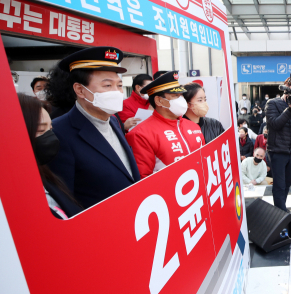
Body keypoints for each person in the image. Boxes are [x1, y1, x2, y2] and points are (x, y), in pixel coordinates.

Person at [47, 47, 141, 209]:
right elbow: (65, 199)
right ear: (80, 90)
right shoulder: (59, 132)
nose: (117, 92)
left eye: (119, 85)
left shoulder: (112, 120)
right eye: (107, 85)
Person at [125, 71, 205, 179]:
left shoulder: (193, 126)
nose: (181, 100)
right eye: (175, 96)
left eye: (181, 95)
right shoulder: (140, 134)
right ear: (159, 101)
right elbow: (142, 180)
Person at [18, 93, 81, 219]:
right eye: (41, 130)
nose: (50, 137)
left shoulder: (47, 176)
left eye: (50, 129)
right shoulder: (17, 193)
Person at [265, 75, 291, 212]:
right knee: (279, 185)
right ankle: (282, 213)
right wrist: (290, 109)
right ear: (286, 87)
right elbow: (275, 124)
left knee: (288, 182)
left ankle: (281, 209)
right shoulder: (272, 103)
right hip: (277, 151)